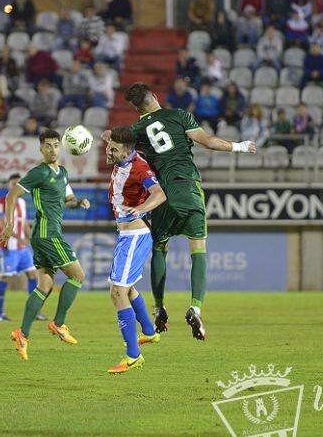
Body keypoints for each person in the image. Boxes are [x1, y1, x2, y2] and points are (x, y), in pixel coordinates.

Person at [109, 83, 257, 340]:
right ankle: (196, 306)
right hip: (189, 188)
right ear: (154, 96)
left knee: (159, 249)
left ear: (135, 108)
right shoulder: (179, 115)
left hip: (162, 195)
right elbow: (208, 141)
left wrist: (106, 137)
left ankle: (159, 307)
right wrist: (240, 146)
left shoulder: (137, 129)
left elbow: (116, 144)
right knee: (198, 250)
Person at [0, 130, 91, 361]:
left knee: (45, 285)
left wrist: (79, 203)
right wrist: (10, 224)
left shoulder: (62, 173)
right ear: (41, 149)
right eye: (47, 146)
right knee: (78, 275)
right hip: (48, 234)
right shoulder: (38, 172)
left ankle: (22, 334)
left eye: (55, 145)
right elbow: (12, 195)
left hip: (44, 235)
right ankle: (59, 324)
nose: (52, 149)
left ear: (61, 147)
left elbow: (68, 200)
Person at [104, 127, 165, 374]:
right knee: (126, 289)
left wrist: (141, 209)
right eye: (109, 147)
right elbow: (108, 136)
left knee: (117, 292)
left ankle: (133, 355)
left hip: (135, 234)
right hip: (127, 235)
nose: (109, 152)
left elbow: (159, 194)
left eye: (114, 150)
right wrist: (107, 139)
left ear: (127, 151)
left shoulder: (139, 168)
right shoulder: (122, 153)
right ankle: (149, 333)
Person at [0, 173, 44, 322]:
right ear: (8, 184)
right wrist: (18, 238)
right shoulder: (2, 201)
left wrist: (32, 239)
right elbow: (2, 225)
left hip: (23, 248)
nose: (16, 186)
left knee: (33, 275)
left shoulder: (21, 202)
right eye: (13, 183)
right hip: (9, 246)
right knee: (5, 276)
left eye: (18, 183)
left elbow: (25, 224)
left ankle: (34, 312)